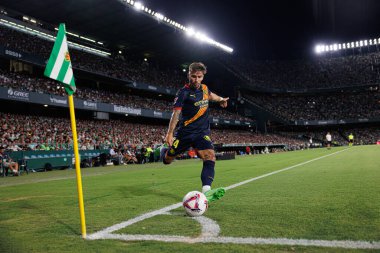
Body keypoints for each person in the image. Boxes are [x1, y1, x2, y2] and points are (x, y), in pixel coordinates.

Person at [160, 62, 228, 202]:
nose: (196, 80)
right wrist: (170, 133)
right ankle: (164, 151)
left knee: (210, 156)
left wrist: (221, 99)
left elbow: (211, 96)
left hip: (202, 132)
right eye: (193, 76)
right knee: (167, 160)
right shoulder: (183, 93)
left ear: (203, 76)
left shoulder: (204, 89)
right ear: (188, 75)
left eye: (199, 76)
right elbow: (176, 114)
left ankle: (206, 191)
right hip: (185, 133)